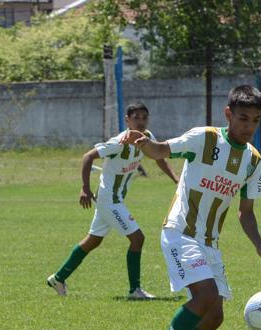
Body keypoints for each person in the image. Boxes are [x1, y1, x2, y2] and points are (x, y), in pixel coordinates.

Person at [121, 86, 261, 330]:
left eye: (255, 121)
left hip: (210, 242)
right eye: (243, 118)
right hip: (180, 231)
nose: (248, 127)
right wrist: (143, 142)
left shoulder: (253, 160)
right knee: (204, 296)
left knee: (215, 315)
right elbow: (161, 150)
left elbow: (246, 213)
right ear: (228, 114)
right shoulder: (204, 138)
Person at [46, 103, 178, 299]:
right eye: (136, 118)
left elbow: (159, 157)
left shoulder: (147, 137)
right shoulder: (119, 143)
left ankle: (58, 278)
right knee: (137, 238)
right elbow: (88, 156)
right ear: (127, 120)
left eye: (144, 117)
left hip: (115, 199)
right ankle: (135, 290)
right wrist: (84, 188)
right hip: (110, 200)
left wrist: (176, 179)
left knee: (93, 241)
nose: (140, 122)